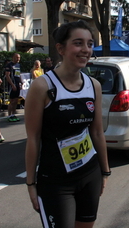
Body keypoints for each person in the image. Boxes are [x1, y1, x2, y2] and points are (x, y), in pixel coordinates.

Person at [25, 20, 110, 228]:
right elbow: (33, 138)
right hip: (55, 181)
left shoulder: (94, 86)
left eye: (89, 44)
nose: (86, 50)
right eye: (78, 43)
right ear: (60, 49)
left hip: (90, 174)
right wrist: (30, 183)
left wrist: (105, 171)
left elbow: (97, 133)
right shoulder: (42, 86)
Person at [5, 53, 21, 122]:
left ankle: (13, 114)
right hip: (12, 85)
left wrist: (20, 82)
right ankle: (9, 115)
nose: (18, 59)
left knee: (16, 100)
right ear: (13, 57)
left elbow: (18, 74)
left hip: (17, 84)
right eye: (16, 57)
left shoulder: (18, 65)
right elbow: (7, 76)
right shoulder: (9, 65)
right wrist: (12, 85)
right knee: (12, 100)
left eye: (19, 58)